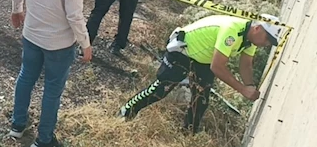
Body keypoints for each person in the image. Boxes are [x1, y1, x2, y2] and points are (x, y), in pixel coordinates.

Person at [8, 0, 93, 147]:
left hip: (32, 33)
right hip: (59, 42)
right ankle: (44, 140)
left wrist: (17, 10)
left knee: (26, 77)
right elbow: (74, 14)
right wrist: (85, 43)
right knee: (52, 91)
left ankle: (17, 125)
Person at [119, 14, 284, 133]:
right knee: (160, 90)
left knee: (201, 100)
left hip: (202, 60)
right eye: (267, 39)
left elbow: (246, 65)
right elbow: (218, 67)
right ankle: (126, 112)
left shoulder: (250, 39)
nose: (267, 44)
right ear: (257, 28)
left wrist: (250, 86)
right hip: (183, 52)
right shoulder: (232, 31)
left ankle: (188, 134)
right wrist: (242, 89)